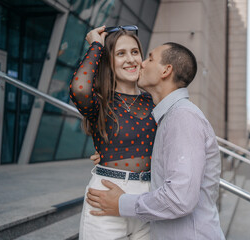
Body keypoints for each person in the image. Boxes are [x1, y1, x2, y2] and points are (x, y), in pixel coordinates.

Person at [87, 42, 225, 239]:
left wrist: (122, 203)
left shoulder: (182, 118)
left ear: (166, 70)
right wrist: (113, 156)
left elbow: (180, 198)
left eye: (150, 58)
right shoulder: (169, 117)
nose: (141, 63)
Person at [69, 25, 157, 240]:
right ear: (108, 61)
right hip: (107, 194)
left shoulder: (154, 100)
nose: (130, 59)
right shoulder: (100, 102)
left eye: (135, 52)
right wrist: (96, 46)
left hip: (149, 198)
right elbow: (79, 88)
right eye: (120, 53)